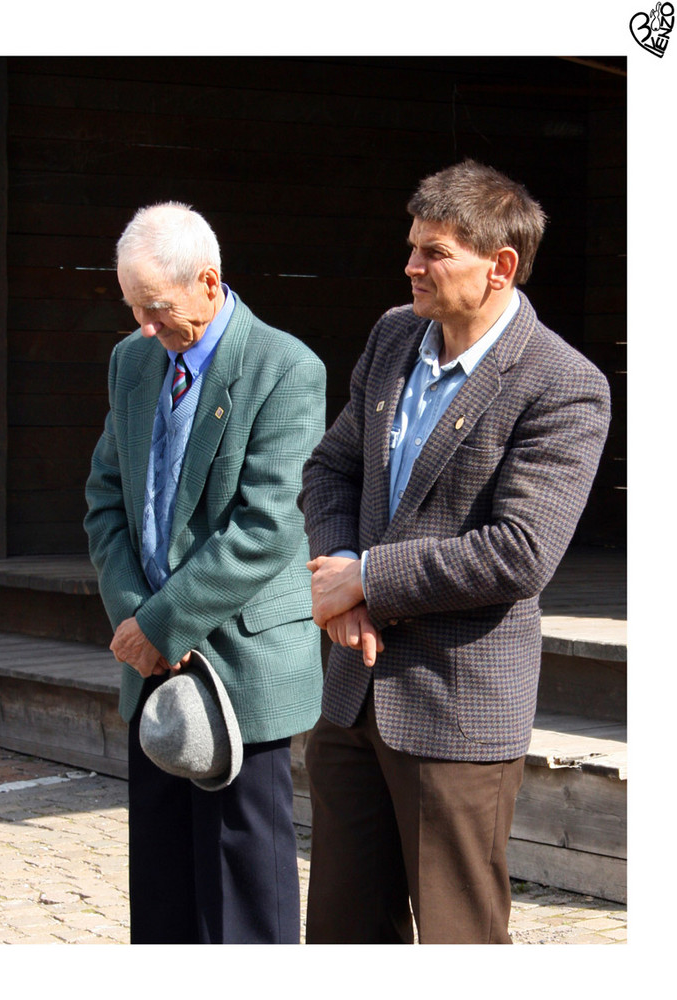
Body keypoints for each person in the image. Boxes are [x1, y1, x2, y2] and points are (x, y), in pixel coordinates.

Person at [298, 160, 611, 945]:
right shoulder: (394, 335)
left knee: (457, 943)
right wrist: (339, 578)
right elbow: (332, 466)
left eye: (433, 252)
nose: (411, 266)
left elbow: (520, 552)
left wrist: (365, 577)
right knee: (341, 938)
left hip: (456, 711)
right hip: (351, 698)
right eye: (413, 247)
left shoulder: (562, 383)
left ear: (499, 267)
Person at [84, 202, 326, 944]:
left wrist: (162, 623)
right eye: (133, 308)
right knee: (162, 895)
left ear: (209, 283)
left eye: (156, 309)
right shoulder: (133, 360)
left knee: (243, 903)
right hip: (151, 663)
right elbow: (105, 500)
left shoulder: (286, 369)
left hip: (242, 667)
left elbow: (264, 525)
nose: (145, 327)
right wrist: (137, 619)